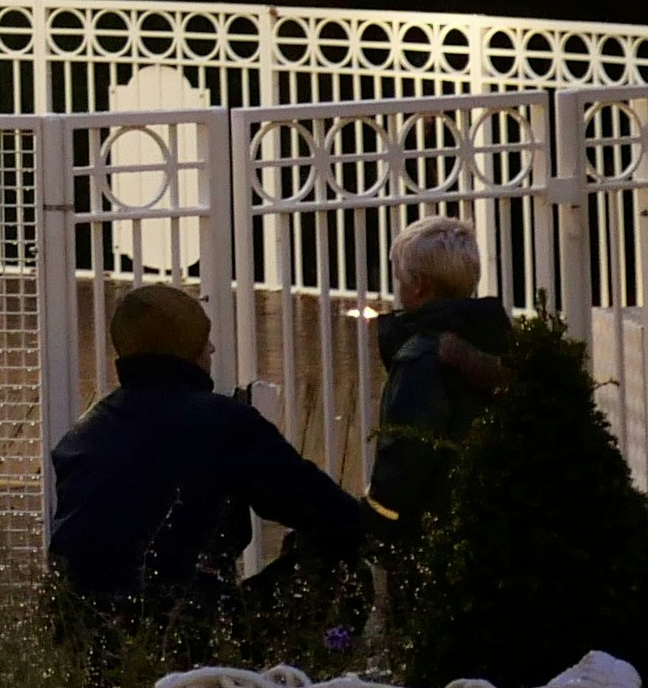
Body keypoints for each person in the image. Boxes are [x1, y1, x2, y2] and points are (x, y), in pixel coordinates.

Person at [48, 279, 382, 654]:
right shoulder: (223, 423)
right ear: (189, 352)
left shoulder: (82, 435)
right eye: (203, 340)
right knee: (342, 568)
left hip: (87, 642)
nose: (211, 348)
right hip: (190, 635)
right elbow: (327, 510)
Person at [364, 222, 514, 521]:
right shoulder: (500, 340)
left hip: (441, 529)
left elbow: (406, 457)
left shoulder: (420, 357)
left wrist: (377, 515)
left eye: (400, 280)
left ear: (419, 285)